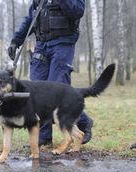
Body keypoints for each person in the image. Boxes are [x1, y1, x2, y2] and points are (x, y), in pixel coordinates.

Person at [8, 0, 93, 146]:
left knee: (56, 93)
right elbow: (31, 18)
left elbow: (77, 12)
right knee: (36, 92)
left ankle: (84, 122)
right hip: (41, 45)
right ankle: (44, 137)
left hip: (63, 44)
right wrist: (16, 40)